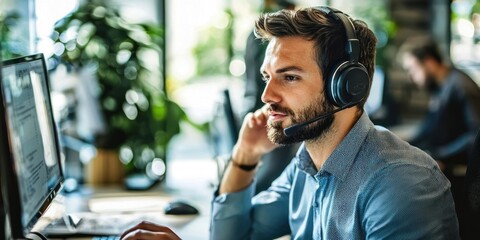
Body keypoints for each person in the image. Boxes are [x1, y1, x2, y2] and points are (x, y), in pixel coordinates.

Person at [120, 6, 459, 239]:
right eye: (268, 76)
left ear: (346, 87)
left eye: (290, 77)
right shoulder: (307, 165)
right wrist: (245, 155)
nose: (267, 95)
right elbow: (235, 235)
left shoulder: (400, 182)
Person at [399, 37, 480, 239]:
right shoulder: (442, 88)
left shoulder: (460, 86)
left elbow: (476, 137)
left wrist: (440, 155)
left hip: (463, 181)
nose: (411, 77)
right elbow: (427, 130)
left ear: (429, 62)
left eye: (413, 69)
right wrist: (396, 144)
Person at [243, 0, 299, 194]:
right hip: (272, 110)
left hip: (255, 104)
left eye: (291, 77)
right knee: (272, 172)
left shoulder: (254, 36)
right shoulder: (271, 38)